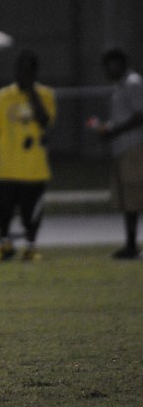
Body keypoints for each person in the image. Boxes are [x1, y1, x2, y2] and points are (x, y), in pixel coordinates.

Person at [0, 50, 56, 262]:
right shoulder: (4, 96)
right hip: (5, 168)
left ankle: (30, 248)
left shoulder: (46, 95)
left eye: (27, 71)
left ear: (34, 72)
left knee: (30, 214)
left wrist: (32, 92)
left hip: (34, 169)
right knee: (2, 211)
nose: (22, 74)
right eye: (20, 70)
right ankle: (5, 245)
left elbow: (44, 121)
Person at [88, 49, 143, 259]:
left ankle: (131, 245)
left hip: (134, 148)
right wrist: (106, 128)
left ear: (120, 63)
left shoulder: (133, 83)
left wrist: (114, 131)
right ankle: (130, 244)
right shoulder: (120, 86)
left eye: (109, 65)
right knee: (129, 200)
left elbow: (140, 115)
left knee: (136, 196)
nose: (107, 70)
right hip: (122, 149)